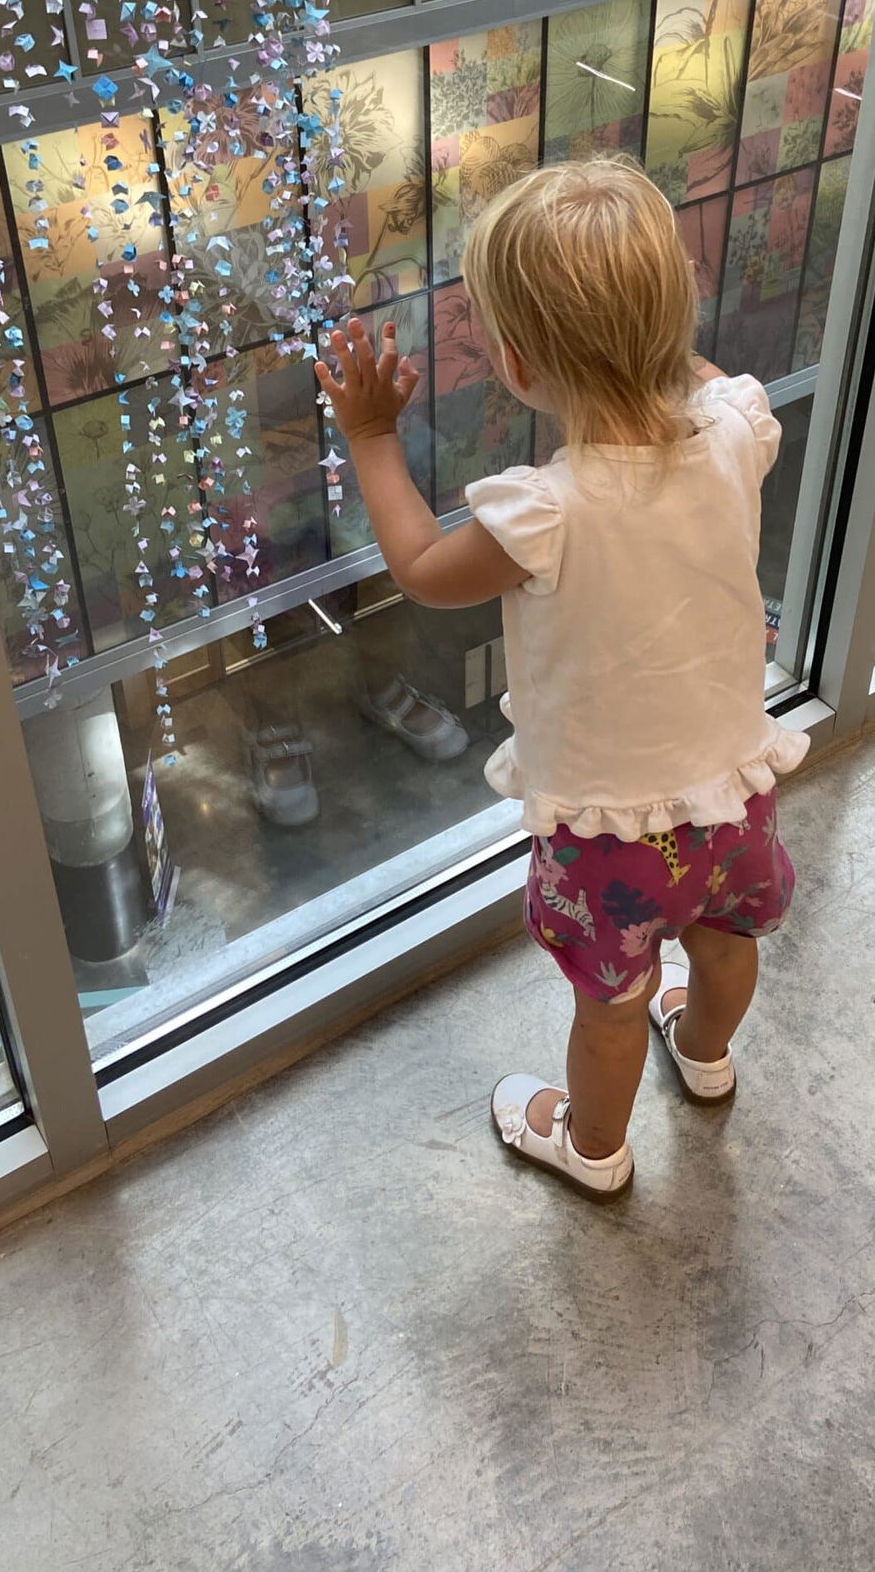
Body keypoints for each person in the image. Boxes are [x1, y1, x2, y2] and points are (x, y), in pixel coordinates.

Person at [313, 157, 805, 1202]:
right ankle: (709, 1063)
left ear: (520, 364)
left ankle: (591, 1149)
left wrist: (368, 436)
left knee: (613, 1004)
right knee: (724, 943)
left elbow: (420, 569)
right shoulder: (734, 429)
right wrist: (651, 320)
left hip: (611, 836)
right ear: (678, 310)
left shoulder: (545, 511)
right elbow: (698, 372)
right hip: (731, 792)